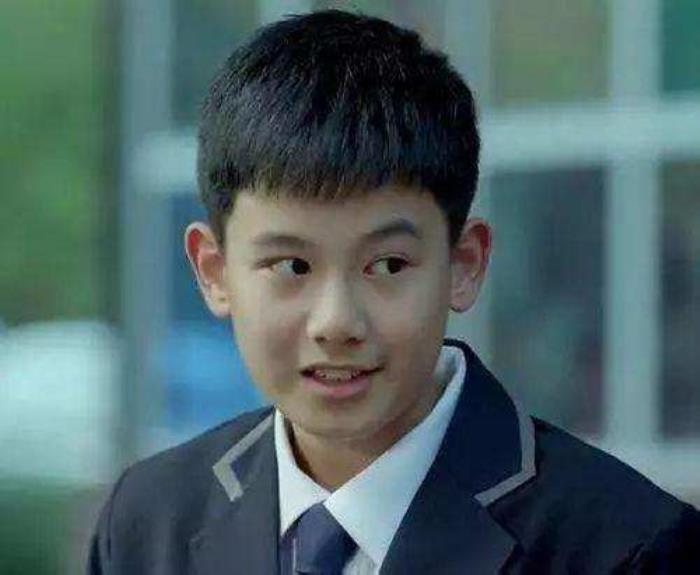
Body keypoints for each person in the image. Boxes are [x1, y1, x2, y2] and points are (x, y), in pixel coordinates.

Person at [87, 10, 700, 574]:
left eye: (387, 265)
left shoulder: (626, 549)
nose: (336, 322)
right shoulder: (147, 525)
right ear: (215, 272)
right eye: (292, 266)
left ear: (463, 264)